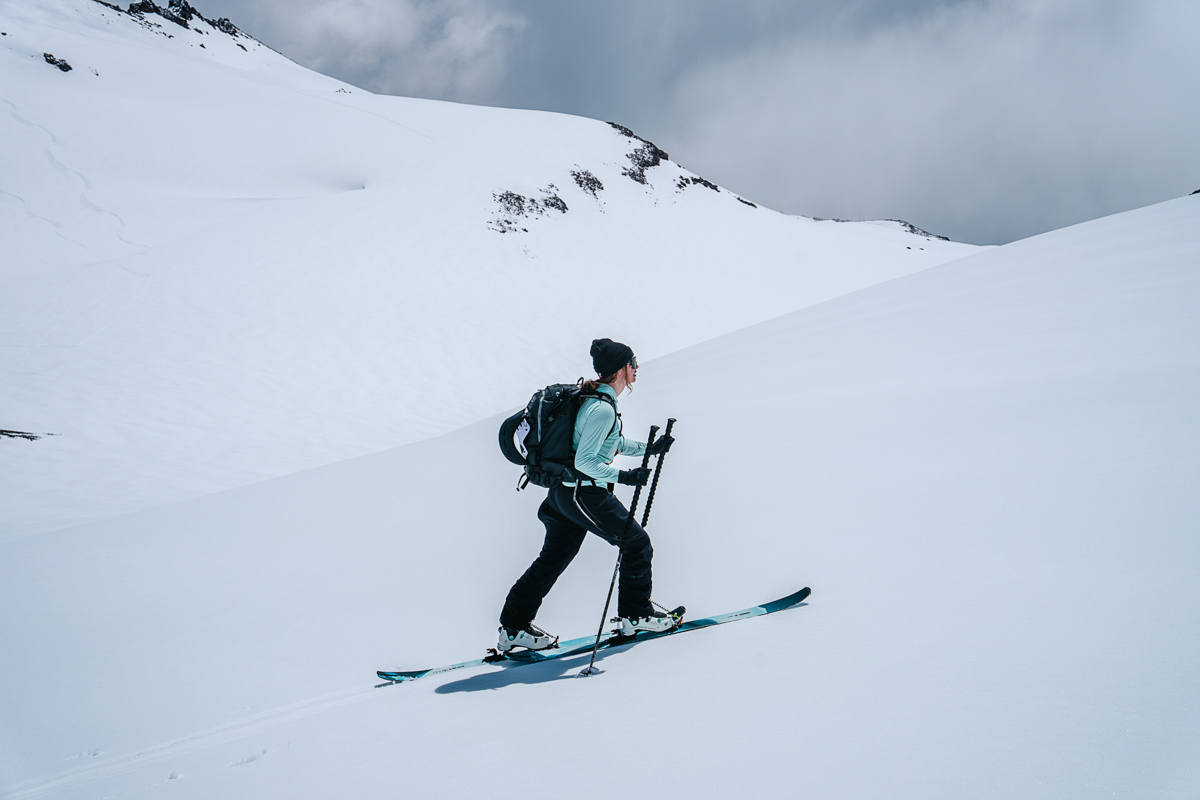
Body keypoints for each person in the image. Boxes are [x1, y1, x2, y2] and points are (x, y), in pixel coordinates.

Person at [497, 338, 676, 652]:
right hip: (584, 494)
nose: (636, 368)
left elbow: (612, 444)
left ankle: (513, 628)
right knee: (636, 545)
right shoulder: (601, 409)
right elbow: (586, 462)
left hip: (563, 496)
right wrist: (626, 476)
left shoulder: (592, 401)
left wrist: (650, 448)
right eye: (633, 362)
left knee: (552, 560)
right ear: (621, 369)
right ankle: (635, 615)